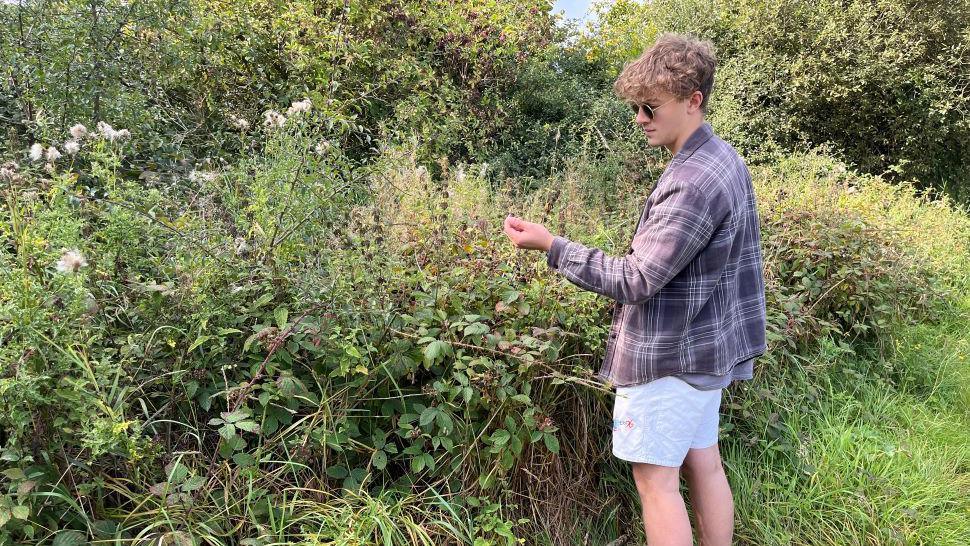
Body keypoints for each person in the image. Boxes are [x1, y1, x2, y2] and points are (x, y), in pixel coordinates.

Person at [502, 32, 768, 546]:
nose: (641, 118)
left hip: (669, 357)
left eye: (651, 106)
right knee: (704, 466)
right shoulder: (724, 159)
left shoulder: (692, 180)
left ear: (694, 101)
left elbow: (637, 278)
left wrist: (552, 245)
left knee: (655, 482)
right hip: (705, 353)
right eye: (635, 107)